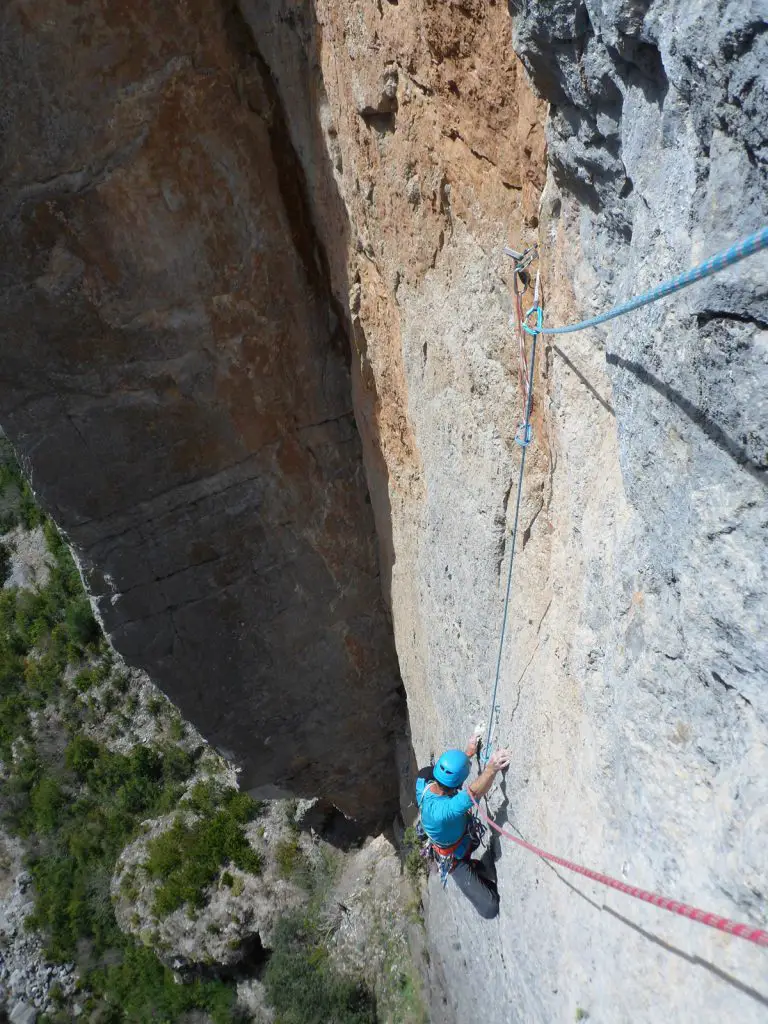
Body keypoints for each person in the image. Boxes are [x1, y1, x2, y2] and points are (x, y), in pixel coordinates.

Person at [416, 734, 511, 919]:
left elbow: (444, 772)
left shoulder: (423, 779)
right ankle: (478, 868)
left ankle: (477, 866)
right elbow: (474, 792)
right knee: (489, 909)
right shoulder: (447, 810)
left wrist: (467, 753)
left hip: (456, 837)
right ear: (457, 785)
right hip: (453, 858)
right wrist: (491, 768)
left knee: (467, 837)